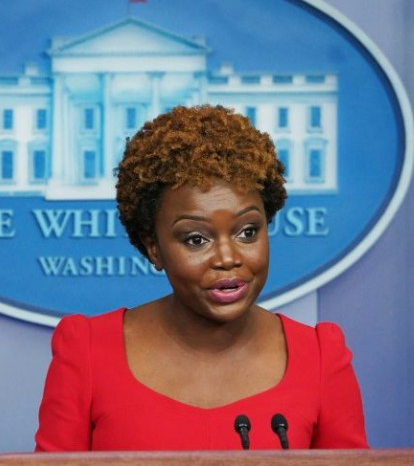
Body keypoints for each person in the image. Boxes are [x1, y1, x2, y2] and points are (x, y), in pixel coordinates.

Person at [34, 105, 368, 451]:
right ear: (153, 248)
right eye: (196, 239)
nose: (228, 258)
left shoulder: (320, 356)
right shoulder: (87, 351)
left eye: (248, 232)